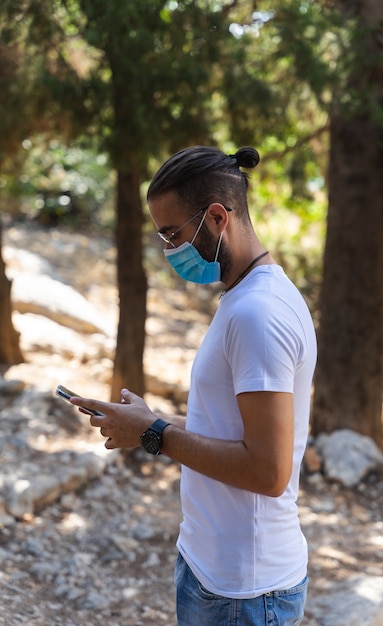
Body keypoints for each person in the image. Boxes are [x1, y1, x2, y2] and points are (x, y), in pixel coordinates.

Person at [71, 145, 317, 626]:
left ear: (218, 217)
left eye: (172, 234)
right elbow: (230, 431)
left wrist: (155, 435)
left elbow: (268, 471)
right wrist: (145, 423)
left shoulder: (258, 315)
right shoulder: (244, 298)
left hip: (244, 593)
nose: (168, 250)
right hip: (212, 571)